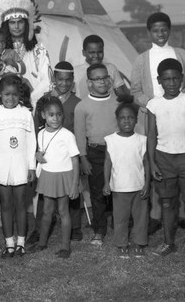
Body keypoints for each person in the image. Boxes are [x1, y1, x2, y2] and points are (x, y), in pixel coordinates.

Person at [131, 12, 185, 235]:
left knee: (179, 158)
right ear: (149, 32)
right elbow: (135, 91)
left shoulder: (181, 54)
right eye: (155, 30)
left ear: (169, 30)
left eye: (164, 30)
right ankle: (155, 215)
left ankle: (180, 215)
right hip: (152, 116)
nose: (160, 34)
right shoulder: (142, 58)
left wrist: (176, 101)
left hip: (177, 118)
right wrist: (154, 103)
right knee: (154, 161)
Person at [147, 58, 185, 259]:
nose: (171, 83)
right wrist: (153, 162)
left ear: (181, 79)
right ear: (159, 80)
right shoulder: (154, 104)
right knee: (166, 202)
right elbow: (151, 135)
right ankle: (168, 242)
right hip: (163, 159)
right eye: (166, 79)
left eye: (175, 79)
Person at [29, 61, 83, 245]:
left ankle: (71, 234)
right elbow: (38, 131)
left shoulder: (77, 102)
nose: (64, 83)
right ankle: (40, 236)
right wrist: (37, 154)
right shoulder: (45, 100)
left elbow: (79, 133)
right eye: (60, 79)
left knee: (65, 207)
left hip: (66, 162)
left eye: (68, 80)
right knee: (46, 206)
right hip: (48, 167)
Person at [0, 74, 36, 257]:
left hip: (21, 164)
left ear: (20, 95)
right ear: (0, 94)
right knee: (5, 205)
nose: (11, 98)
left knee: (21, 204)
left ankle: (21, 242)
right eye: (7, 94)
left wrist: (31, 166)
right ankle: (9, 243)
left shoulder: (26, 113)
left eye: (15, 94)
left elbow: (31, 142)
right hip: (1, 165)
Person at [29, 97, 79, 258]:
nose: (55, 118)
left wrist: (74, 185)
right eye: (51, 115)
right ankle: (42, 243)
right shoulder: (41, 133)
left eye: (58, 114)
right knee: (47, 212)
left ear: (62, 115)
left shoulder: (67, 135)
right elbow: (42, 151)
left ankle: (66, 247)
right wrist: (38, 155)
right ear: (43, 115)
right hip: (47, 176)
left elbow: (75, 160)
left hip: (63, 177)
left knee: (64, 211)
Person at [74, 63, 118, 246]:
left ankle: (120, 225)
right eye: (97, 78)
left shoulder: (117, 102)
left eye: (104, 77)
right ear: (89, 82)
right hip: (95, 152)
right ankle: (99, 230)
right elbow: (79, 134)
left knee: (118, 190)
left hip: (116, 151)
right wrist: (83, 158)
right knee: (97, 193)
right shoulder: (82, 106)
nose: (102, 81)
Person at [103, 103, 150, 258]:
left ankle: (139, 243)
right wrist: (106, 182)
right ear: (117, 120)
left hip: (139, 187)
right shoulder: (111, 140)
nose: (126, 121)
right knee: (121, 218)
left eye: (130, 117)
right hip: (119, 188)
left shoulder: (142, 140)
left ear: (136, 120)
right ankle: (122, 244)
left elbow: (146, 163)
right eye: (122, 118)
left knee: (140, 218)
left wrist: (147, 183)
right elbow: (107, 163)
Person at [73, 35, 130, 100]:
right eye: (92, 52)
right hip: (84, 108)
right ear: (84, 52)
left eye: (99, 52)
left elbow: (120, 93)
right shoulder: (75, 71)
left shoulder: (111, 68)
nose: (96, 55)